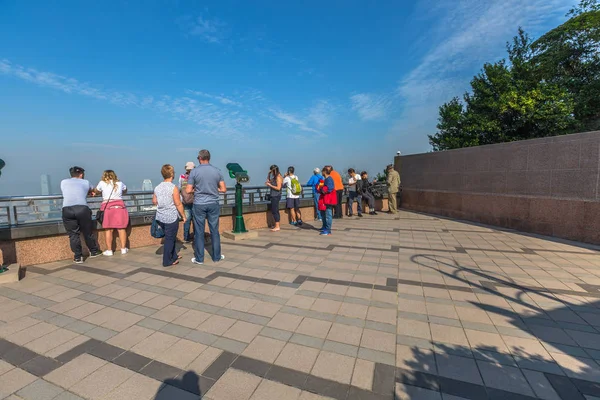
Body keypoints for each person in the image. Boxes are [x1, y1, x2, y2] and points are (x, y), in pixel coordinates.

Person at [186, 149, 227, 264]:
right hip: (213, 203)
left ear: (199, 158)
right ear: (209, 158)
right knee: (214, 230)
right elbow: (223, 189)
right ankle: (216, 257)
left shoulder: (194, 172)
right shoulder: (217, 171)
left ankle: (200, 259)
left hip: (199, 204)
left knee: (199, 232)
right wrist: (214, 189)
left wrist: (197, 189)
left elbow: (188, 190)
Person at [60, 166, 102, 263]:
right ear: (81, 174)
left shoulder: (63, 182)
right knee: (87, 231)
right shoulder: (86, 182)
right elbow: (93, 191)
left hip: (67, 209)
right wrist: (91, 193)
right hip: (82, 209)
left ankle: (78, 257)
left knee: (73, 234)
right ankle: (94, 251)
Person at [153, 164, 186, 267]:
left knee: (169, 237)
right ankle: (167, 261)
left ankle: (174, 256)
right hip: (171, 217)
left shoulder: (157, 187)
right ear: (172, 174)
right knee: (170, 239)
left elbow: (154, 201)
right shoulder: (173, 188)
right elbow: (178, 203)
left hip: (160, 217)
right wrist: (183, 216)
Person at [95, 170, 129, 256]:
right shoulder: (120, 183)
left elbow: (96, 191)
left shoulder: (102, 183)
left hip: (108, 208)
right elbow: (125, 190)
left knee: (108, 229)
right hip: (120, 207)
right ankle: (123, 249)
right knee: (121, 229)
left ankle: (109, 250)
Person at [178, 162, 196, 243]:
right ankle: (196, 236)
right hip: (195, 201)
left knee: (187, 220)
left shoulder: (182, 177)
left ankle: (186, 237)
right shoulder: (195, 176)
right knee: (195, 220)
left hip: (185, 201)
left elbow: (179, 188)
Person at [318, 166, 337, 236]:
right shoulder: (326, 179)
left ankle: (328, 230)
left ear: (324, 172)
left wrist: (322, 190)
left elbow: (330, 188)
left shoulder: (329, 179)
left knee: (328, 214)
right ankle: (324, 227)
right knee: (323, 213)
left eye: (322, 171)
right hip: (325, 199)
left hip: (328, 199)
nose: (321, 173)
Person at [265, 165, 283, 232]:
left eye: (271, 171)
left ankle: (277, 226)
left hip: (276, 195)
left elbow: (278, 188)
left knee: (275, 211)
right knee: (274, 210)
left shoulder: (278, 177)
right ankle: (276, 225)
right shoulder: (275, 177)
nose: (271, 172)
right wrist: (268, 174)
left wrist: (270, 185)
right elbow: (268, 181)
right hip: (274, 195)